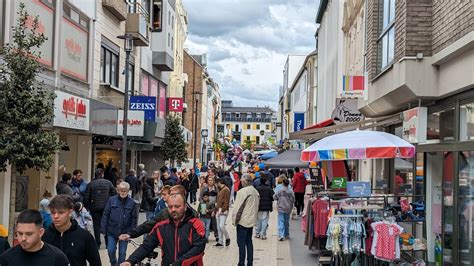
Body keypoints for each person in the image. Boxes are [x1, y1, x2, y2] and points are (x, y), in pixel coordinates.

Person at [121, 193, 206, 266]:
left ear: (185, 207)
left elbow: (199, 248)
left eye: (177, 206)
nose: (173, 210)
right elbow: (146, 246)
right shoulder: (161, 226)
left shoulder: (196, 224)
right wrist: (130, 261)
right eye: (170, 207)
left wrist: (178, 263)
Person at [119, 185, 199, 241]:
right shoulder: (165, 213)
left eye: (173, 195)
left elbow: (198, 245)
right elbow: (149, 224)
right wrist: (131, 234)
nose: (170, 197)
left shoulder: (193, 216)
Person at [42, 195, 101, 266]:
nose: (56, 216)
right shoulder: (44, 236)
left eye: (61, 212)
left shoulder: (84, 236)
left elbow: (95, 262)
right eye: (53, 212)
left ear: (70, 212)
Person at [0, 209, 69, 265]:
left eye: (29, 234)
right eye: (20, 233)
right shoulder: (7, 258)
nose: (23, 238)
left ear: (41, 232)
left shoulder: (58, 258)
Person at [101, 182, 138, 265]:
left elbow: (134, 219)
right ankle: (113, 263)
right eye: (121, 190)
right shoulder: (111, 200)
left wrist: (131, 232)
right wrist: (103, 229)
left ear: (128, 191)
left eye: (125, 190)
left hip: (125, 232)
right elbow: (105, 214)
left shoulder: (132, 203)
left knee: (122, 253)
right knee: (111, 250)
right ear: (118, 190)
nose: (123, 192)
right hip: (111, 231)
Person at [84, 168, 117, 248]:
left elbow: (86, 197)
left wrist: (88, 207)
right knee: (106, 224)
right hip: (106, 207)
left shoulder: (91, 184)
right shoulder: (108, 183)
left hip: (94, 207)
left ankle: (98, 243)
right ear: (102, 174)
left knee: (96, 225)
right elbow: (114, 194)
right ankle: (107, 242)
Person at [232, 174, 260, 266]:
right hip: (251, 221)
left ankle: (241, 263)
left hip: (242, 221)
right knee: (249, 242)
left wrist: (234, 221)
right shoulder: (256, 192)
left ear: (244, 182)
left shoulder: (242, 192)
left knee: (241, 244)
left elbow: (236, 208)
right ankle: (250, 263)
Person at [200, 173, 220, 242]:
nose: (210, 181)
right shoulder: (204, 188)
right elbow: (200, 197)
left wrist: (215, 209)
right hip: (205, 206)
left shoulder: (216, 188)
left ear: (214, 181)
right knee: (204, 223)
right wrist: (202, 207)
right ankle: (205, 236)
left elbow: (218, 199)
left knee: (214, 221)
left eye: (211, 180)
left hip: (213, 206)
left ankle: (216, 235)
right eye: (209, 180)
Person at [215, 178, 231, 247]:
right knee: (218, 226)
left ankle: (227, 237)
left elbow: (226, 201)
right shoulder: (221, 189)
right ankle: (220, 241)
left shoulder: (226, 190)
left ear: (219, 183)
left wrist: (222, 210)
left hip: (223, 210)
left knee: (221, 225)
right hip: (219, 209)